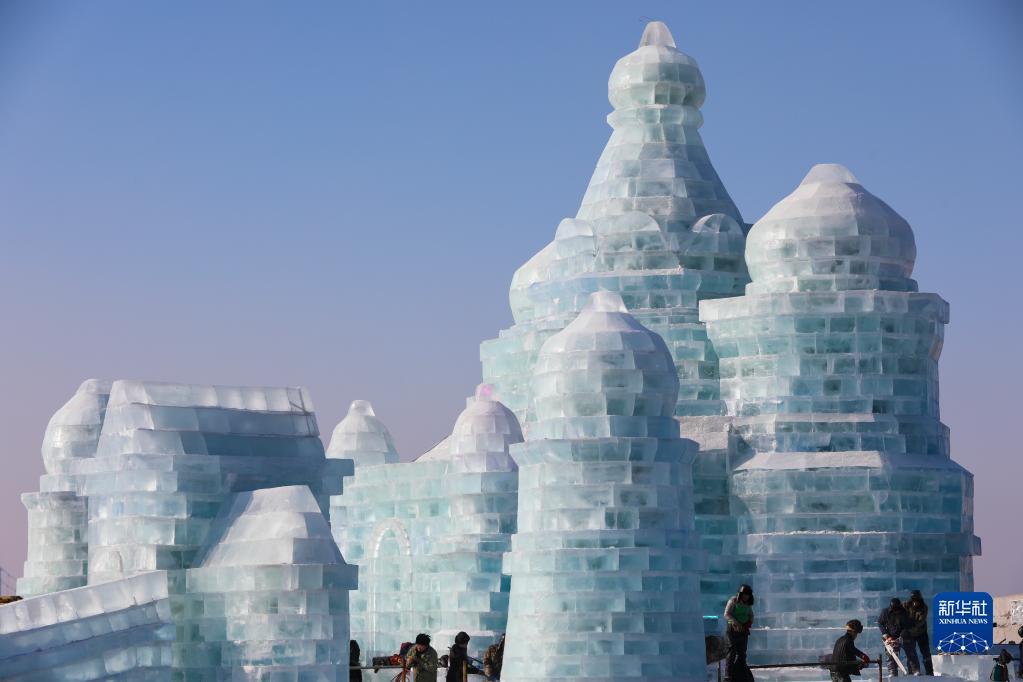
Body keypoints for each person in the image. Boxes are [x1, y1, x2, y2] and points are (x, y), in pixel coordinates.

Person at [879, 598, 919, 676]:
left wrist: (901, 637)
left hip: (905, 635)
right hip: (891, 636)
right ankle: (892, 673)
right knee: (891, 656)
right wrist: (886, 635)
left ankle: (914, 671)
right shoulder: (885, 612)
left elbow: (908, 626)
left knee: (911, 653)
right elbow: (880, 623)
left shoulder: (905, 612)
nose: (896, 611)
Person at [723, 584, 755, 682]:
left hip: (743, 631)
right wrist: (736, 623)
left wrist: (748, 623)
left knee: (742, 654)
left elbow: (751, 615)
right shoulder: (733, 601)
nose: (746, 597)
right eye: (745, 594)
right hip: (733, 630)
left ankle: (741, 674)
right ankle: (728, 675)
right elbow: (727, 614)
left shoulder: (748, 604)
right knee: (732, 652)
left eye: (748, 595)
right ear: (741, 594)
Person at [904, 590, 933, 675]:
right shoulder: (906, 605)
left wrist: (909, 626)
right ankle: (912, 672)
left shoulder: (924, 607)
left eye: (916, 599)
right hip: (910, 634)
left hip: (921, 633)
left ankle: (929, 672)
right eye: (913, 599)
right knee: (910, 654)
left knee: (926, 653)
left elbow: (920, 622)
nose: (915, 601)